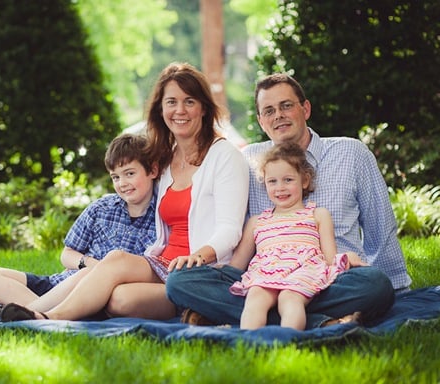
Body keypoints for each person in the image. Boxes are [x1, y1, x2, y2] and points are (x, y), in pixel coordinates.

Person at [0, 61, 249, 322]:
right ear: (160, 109)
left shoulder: (225, 156)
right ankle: (41, 315)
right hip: (161, 263)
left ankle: (48, 317)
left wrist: (198, 256)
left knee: (120, 299)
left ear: (204, 108)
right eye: (171, 102)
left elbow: (230, 231)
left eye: (189, 101)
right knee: (114, 261)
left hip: (198, 272)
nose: (179, 110)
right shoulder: (165, 159)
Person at [166, 73, 411, 329]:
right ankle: (319, 321)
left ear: (305, 109)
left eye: (286, 106)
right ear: (261, 121)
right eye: (269, 111)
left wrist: (397, 289)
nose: (278, 116)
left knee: (375, 285)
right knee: (179, 282)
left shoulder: (350, 153)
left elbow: (380, 226)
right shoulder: (249, 160)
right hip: (264, 280)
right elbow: (230, 228)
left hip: (331, 278)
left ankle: (237, 315)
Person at [0, 133, 158, 320]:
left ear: (152, 170)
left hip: (97, 293)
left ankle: (13, 315)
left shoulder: (162, 216)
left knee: (88, 275)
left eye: (129, 173)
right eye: (115, 177)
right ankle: (33, 312)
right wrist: (92, 264)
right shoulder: (102, 207)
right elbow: (67, 254)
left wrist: (98, 273)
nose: (122, 183)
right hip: (60, 284)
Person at [230, 142, 358, 330]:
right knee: (255, 296)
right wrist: (212, 272)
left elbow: (330, 257)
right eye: (272, 181)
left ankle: (289, 340)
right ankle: (249, 343)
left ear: (304, 181)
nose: (280, 188)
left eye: (288, 180)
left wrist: (347, 259)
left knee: (288, 298)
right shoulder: (257, 221)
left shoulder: (317, 214)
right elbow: (237, 265)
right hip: (267, 272)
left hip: (303, 272)